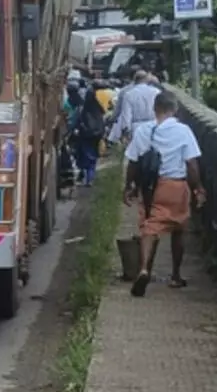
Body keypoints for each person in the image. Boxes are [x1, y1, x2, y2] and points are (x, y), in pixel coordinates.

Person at [124, 91, 205, 297]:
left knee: (150, 227)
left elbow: (133, 162)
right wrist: (198, 188)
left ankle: (143, 270)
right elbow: (191, 164)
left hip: (151, 188)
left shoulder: (143, 131)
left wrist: (128, 186)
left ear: (155, 109)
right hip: (176, 185)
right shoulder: (183, 130)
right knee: (178, 228)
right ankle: (176, 275)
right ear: (175, 109)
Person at [108, 70, 160, 144]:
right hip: (153, 126)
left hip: (136, 128)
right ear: (146, 79)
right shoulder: (156, 92)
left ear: (134, 79)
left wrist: (125, 132)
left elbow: (126, 116)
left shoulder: (129, 94)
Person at [70, 86, 107, 186]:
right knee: (93, 158)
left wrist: (71, 131)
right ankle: (90, 178)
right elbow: (103, 122)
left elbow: (75, 122)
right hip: (96, 137)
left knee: (83, 156)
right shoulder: (99, 109)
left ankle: (83, 174)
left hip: (84, 137)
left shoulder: (82, 109)